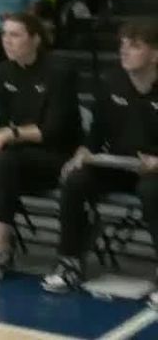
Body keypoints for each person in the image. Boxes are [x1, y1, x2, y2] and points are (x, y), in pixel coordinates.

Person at [0, 13, 80, 284]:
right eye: (4, 34)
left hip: (56, 154)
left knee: (4, 160)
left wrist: (9, 134)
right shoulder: (2, 71)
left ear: (35, 39)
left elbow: (53, 129)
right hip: (17, 150)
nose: (7, 41)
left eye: (15, 35)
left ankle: (1, 249)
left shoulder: (59, 72)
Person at [42, 20, 158, 295]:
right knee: (76, 180)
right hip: (119, 166)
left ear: (155, 54)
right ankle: (69, 262)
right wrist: (83, 152)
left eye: (135, 46)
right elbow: (95, 133)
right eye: (122, 45)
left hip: (153, 171)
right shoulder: (111, 83)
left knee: (152, 190)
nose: (124, 51)